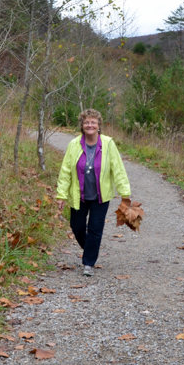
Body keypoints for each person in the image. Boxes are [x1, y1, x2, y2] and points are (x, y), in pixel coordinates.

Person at [55, 109, 132, 277]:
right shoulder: (74, 144)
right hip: (79, 195)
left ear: (99, 126)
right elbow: (66, 171)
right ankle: (91, 248)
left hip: (100, 197)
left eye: (93, 122)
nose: (90, 125)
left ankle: (88, 263)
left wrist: (124, 193)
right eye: (86, 122)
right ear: (82, 126)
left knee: (95, 229)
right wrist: (61, 194)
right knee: (77, 227)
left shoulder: (108, 144)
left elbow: (117, 169)